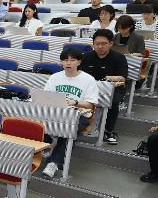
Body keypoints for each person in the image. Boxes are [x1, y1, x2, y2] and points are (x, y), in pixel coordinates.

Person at [42, 48, 99, 178]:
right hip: (56, 113)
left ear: (79, 62)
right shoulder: (55, 77)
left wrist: (75, 102)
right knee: (35, 121)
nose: (68, 63)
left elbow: (90, 104)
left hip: (79, 115)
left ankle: (54, 163)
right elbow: (46, 96)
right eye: (65, 60)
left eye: (72, 60)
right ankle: (45, 145)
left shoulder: (88, 80)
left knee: (68, 129)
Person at [80, 29, 128, 145]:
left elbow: (122, 78)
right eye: (97, 44)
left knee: (113, 100)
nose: (100, 46)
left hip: (112, 87)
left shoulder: (119, 57)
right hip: (89, 87)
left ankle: (109, 131)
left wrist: (107, 77)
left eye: (103, 43)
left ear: (111, 43)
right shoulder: (86, 56)